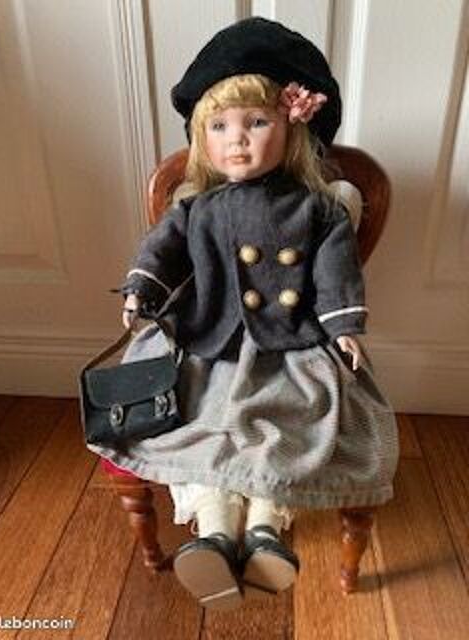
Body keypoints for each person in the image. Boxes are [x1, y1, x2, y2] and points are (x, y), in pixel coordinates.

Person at [92, 17, 399, 609]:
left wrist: (344, 327)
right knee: (202, 425)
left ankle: (264, 531)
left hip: (291, 346)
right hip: (207, 341)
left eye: (257, 122)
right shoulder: (196, 208)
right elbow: (160, 251)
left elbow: (336, 274)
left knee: (284, 427)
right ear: (202, 138)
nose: (237, 139)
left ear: (293, 128)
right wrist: (140, 292)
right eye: (220, 126)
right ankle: (212, 532)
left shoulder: (319, 210)